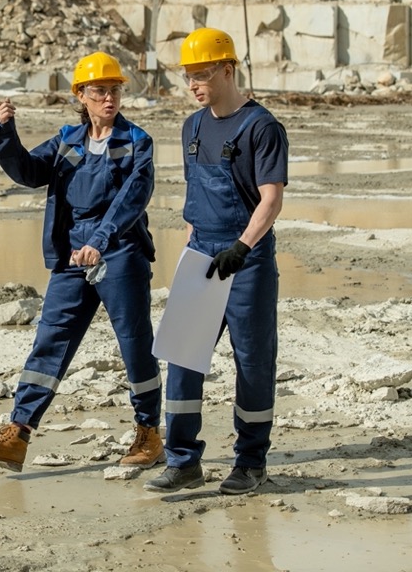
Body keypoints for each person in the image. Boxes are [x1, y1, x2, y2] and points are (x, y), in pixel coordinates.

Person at [0, 51, 164, 473]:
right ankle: (17, 435)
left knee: (133, 342)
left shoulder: (137, 142)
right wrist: (5, 130)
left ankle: (149, 433)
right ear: (81, 95)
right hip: (72, 255)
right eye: (99, 91)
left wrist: (99, 240)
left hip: (120, 249)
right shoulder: (67, 141)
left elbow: (132, 198)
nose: (109, 98)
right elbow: (28, 171)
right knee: (50, 340)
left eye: (114, 91)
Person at [144, 27, 288, 496]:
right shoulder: (193, 126)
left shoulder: (262, 127)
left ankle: (250, 463)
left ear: (228, 70)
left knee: (252, 362)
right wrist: (190, 254)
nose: (194, 85)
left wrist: (242, 247)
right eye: (188, 77)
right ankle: (184, 461)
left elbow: (271, 200)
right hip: (203, 255)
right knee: (183, 356)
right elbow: (195, 199)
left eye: (202, 75)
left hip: (246, 262)